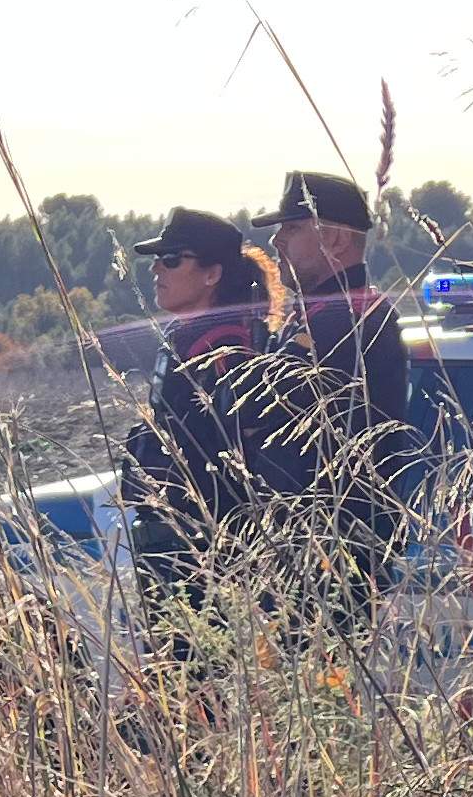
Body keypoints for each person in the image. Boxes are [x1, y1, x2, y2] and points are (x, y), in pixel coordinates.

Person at [257, 171, 417, 625]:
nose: (276, 241)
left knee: (321, 683)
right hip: (302, 543)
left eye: (291, 228)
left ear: (338, 240)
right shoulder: (318, 313)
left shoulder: (351, 315)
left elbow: (275, 415)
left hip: (334, 546)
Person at [118, 206, 281, 642]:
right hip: (171, 545)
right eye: (157, 259)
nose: (157, 269)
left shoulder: (227, 349)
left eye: (173, 260)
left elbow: (236, 463)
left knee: (195, 689)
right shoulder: (187, 339)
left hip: (201, 555)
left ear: (212, 275)